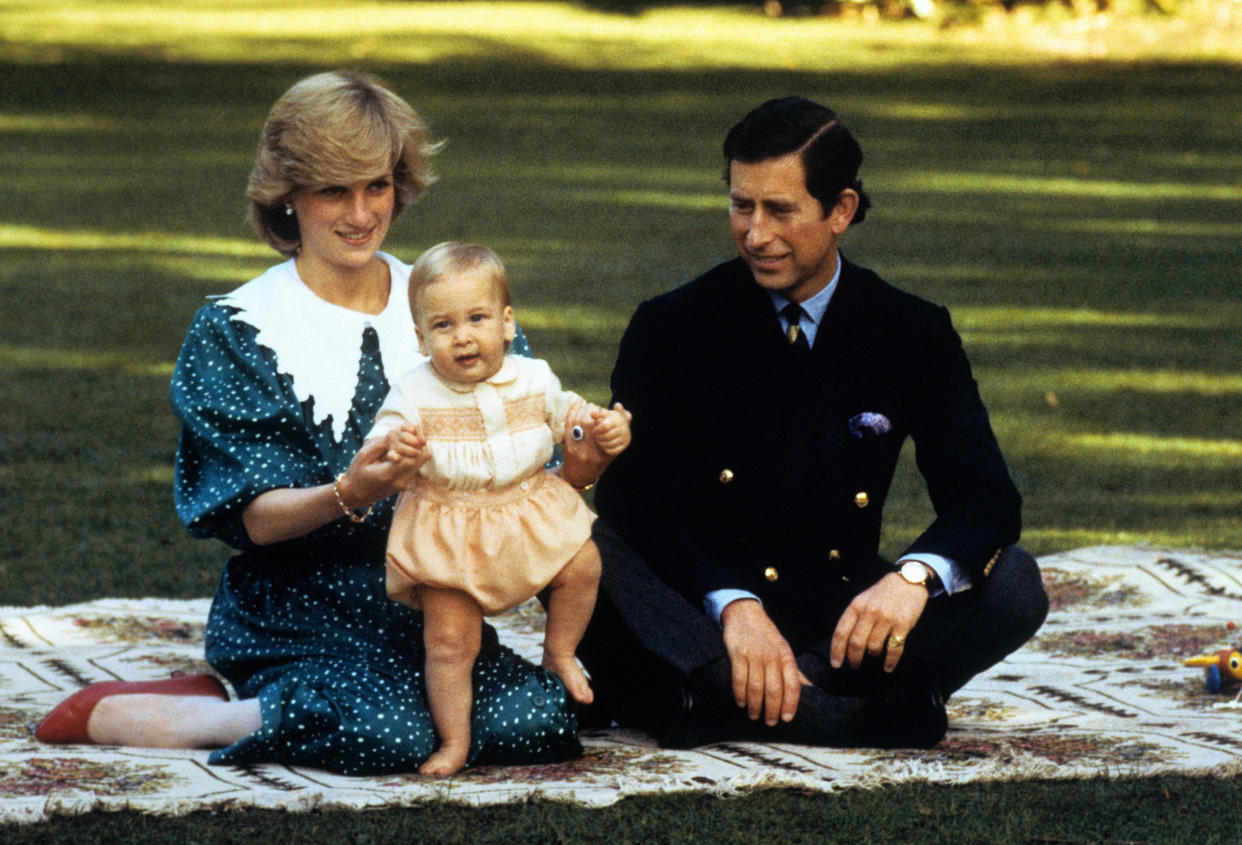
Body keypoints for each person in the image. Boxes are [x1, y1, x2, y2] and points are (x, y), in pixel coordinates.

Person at [34, 70, 608, 774]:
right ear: (288, 197)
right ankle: (206, 714)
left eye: (377, 185)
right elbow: (251, 519)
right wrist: (352, 491)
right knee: (388, 732)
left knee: (540, 721)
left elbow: (524, 471)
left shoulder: (452, 305)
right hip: (293, 606)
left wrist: (580, 462)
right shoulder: (238, 329)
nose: (362, 213)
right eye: (334, 190)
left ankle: (284, 706)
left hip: (434, 601)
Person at [577, 96, 1049, 750]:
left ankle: (719, 703)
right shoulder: (671, 326)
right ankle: (838, 713)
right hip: (701, 615)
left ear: (842, 210)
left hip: (838, 620)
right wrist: (733, 603)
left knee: (1016, 581)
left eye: (780, 210)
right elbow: (635, 505)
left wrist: (912, 579)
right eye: (741, 205)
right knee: (573, 541)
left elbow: (986, 497)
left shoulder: (910, 331)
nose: (755, 233)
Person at [366, 241, 631, 775]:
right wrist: (396, 447)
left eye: (477, 319)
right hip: (450, 527)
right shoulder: (413, 392)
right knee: (448, 642)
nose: (462, 336)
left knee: (585, 562)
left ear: (507, 324)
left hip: (526, 510)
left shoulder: (533, 378)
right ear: (420, 338)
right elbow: (383, 434)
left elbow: (571, 418)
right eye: (442, 326)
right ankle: (455, 742)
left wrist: (606, 427)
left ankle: (559, 650)